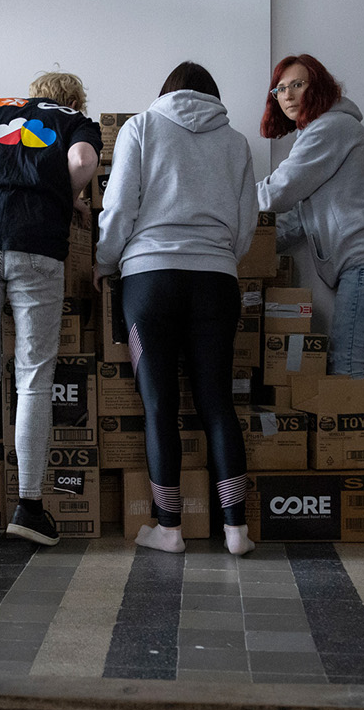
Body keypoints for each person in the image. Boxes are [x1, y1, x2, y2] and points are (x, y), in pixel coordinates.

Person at [94, 61, 260, 556]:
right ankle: (236, 530)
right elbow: (247, 221)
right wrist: (221, 257)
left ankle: (169, 528)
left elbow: (119, 205)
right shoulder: (236, 142)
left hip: (150, 280)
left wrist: (104, 261)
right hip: (216, 281)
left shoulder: (140, 127)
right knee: (217, 402)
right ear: (213, 95)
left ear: (165, 92)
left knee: (159, 405)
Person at [0, 72, 100, 546]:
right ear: (73, 100)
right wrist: (65, 196)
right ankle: (29, 507)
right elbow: (83, 159)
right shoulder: (75, 119)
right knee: (33, 377)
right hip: (35, 238)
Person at [257, 53, 364, 454]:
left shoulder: (329, 129)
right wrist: (257, 250)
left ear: (318, 85)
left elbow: (278, 191)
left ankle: (360, 465)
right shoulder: (324, 134)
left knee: (346, 369)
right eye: (280, 88)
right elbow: (298, 220)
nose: (287, 94)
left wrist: (221, 205)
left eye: (297, 84)